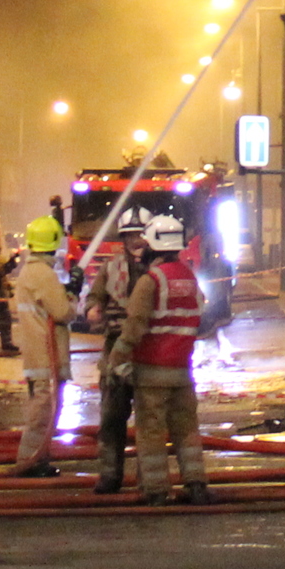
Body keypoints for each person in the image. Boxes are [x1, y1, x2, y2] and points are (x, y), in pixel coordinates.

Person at [120, 214, 208, 505]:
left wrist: (117, 358)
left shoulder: (151, 281)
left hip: (152, 372)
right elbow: (199, 317)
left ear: (153, 245)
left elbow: (135, 325)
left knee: (152, 433)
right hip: (182, 371)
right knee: (187, 431)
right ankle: (196, 485)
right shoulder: (189, 277)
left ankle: (157, 490)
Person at [87, 216, 149, 495]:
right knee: (112, 416)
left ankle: (150, 479)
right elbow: (94, 296)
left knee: (150, 419)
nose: (135, 240)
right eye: (129, 235)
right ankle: (110, 476)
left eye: (139, 234)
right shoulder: (110, 268)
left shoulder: (157, 269)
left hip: (148, 349)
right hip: (115, 349)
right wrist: (92, 308)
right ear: (122, 239)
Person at [12, 215, 75, 474]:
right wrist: (73, 297)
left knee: (45, 410)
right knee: (42, 413)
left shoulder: (31, 271)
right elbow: (62, 312)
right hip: (45, 354)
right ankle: (29, 462)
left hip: (36, 352)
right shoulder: (43, 273)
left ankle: (39, 459)